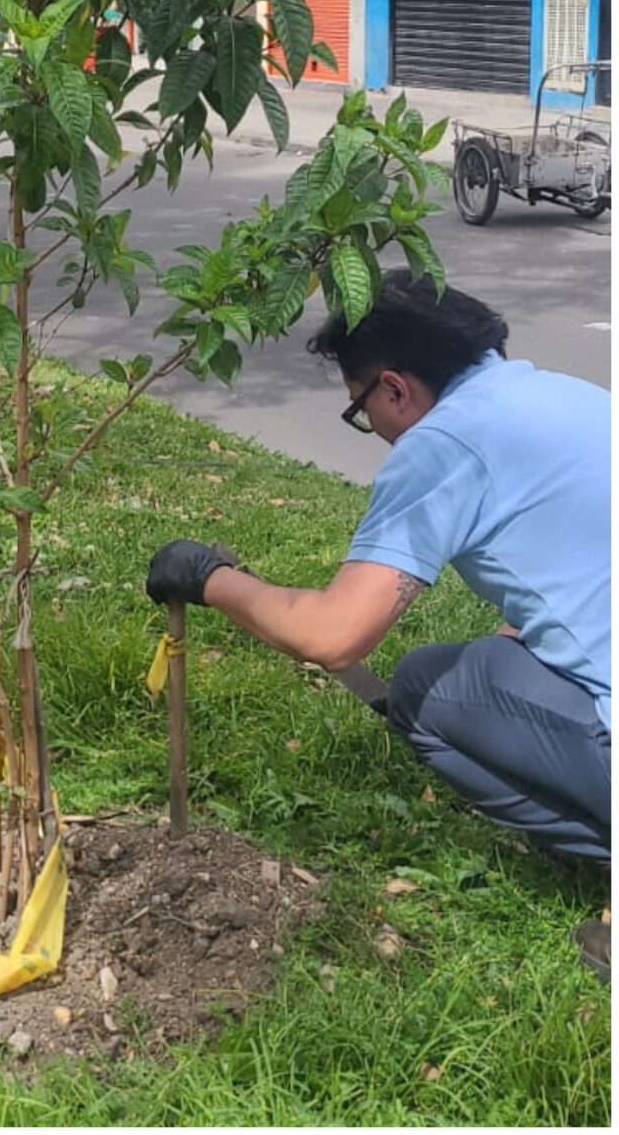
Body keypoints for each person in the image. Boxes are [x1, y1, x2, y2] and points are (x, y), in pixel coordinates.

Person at [147, 270, 610, 970]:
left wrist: (212, 580)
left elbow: (335, 637)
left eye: (360, 410)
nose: (376, 429)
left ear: (395, 388)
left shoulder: (445, 442)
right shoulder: (565, 396)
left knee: (426, 689)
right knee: (501, 653)